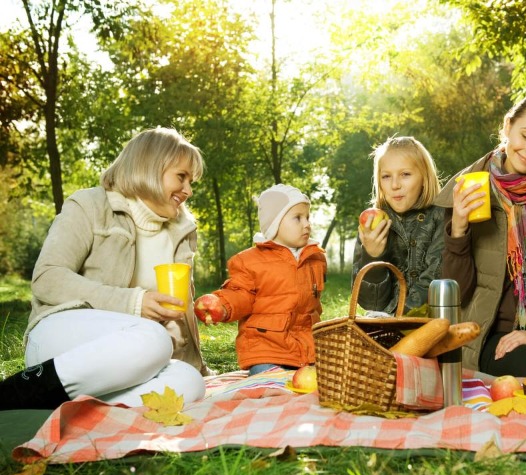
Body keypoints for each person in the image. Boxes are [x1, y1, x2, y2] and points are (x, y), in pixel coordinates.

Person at [0, 127, 210, 410]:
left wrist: (195, 364)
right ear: (149, 167)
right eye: (181, 177)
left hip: (131, 355)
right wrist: (132, 303)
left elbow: (176, 311)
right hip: (61, 339)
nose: (188, 190)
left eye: (191, 181)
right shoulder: (89, 205)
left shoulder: (181, 230)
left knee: (189, 383)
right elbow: (47, 278)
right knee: (153, 338)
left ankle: (60, 406)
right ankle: (18, 392)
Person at [433, 93, 526, 378]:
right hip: (491, 334)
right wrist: (459, 229)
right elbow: (458, 293)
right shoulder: (468, 189)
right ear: (507, 126)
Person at [194, 184, 326, 375]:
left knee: (321, 384)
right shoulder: (250, 261)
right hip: (267, 349)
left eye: (307, 217)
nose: (306, 224)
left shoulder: (315, 258)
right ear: (275, 224)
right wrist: (222, 305)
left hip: (307, 349)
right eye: (297, 218)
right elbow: (240, 294)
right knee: (269, 384)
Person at [352, 136, 444, 314]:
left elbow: (434, 280)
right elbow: (371, 304)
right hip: (384, 325)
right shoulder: (372, 225)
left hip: (429, 322)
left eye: (405, 174)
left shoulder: (441, 216)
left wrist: (397, 319)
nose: (395, 185)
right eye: (386, 176)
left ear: (424, 177)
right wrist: (372, 256)